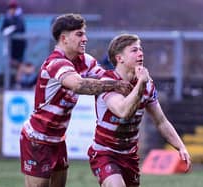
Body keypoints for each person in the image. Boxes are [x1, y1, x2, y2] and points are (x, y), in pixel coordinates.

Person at [20, 13, 132, 187]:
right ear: (64, 38)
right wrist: (116, 86)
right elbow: (79, 85)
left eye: (84, 34)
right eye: (79, 34)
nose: (85, 39)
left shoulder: (85, 61)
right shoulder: (55, 63)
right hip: (37, 138)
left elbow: (106, 77)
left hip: (58, 139)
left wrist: (130, 73)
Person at [87, 34, 191, 187]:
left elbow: (161, 121)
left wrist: (181, 147)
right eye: (134, 50)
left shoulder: (148, 86)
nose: (141, 53)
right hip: (105, 153)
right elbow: (123, 110)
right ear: (119, 58)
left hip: (129, 156)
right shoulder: (107, 82)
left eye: (141, 49)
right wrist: (141, 82)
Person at [0, 0, 26, 69]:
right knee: (11, 63)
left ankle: (19, 78)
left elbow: (20, 28)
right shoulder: (7, 17)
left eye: (13, 8)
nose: (12, 10)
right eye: (10, 9)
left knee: (19, 63)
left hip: (19, 45)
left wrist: (12, 29)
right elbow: (2, 29)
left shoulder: (19, 17)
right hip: (10, 44)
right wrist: (7, 30)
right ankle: (11, 78)